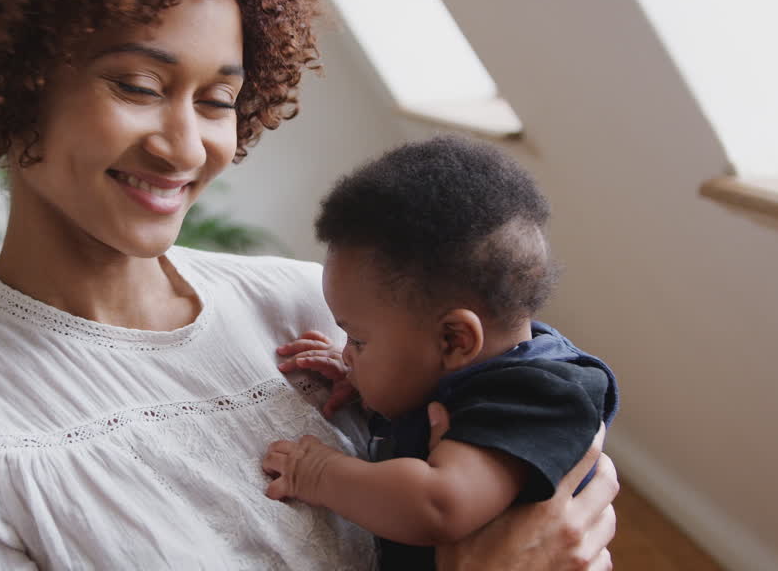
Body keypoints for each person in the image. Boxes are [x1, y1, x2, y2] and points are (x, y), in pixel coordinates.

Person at [0, 0, 619, 569]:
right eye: (137, 86)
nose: (184, 147)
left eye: (217, 100)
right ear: (6, 76)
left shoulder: (315, 311)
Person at [260, 136, 619, 569]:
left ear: (454, 340)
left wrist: (317, 473)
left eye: (358, 340)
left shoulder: (538, 394)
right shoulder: (472, 371)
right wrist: (358, 376)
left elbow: (438, 504)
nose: (348, 353)